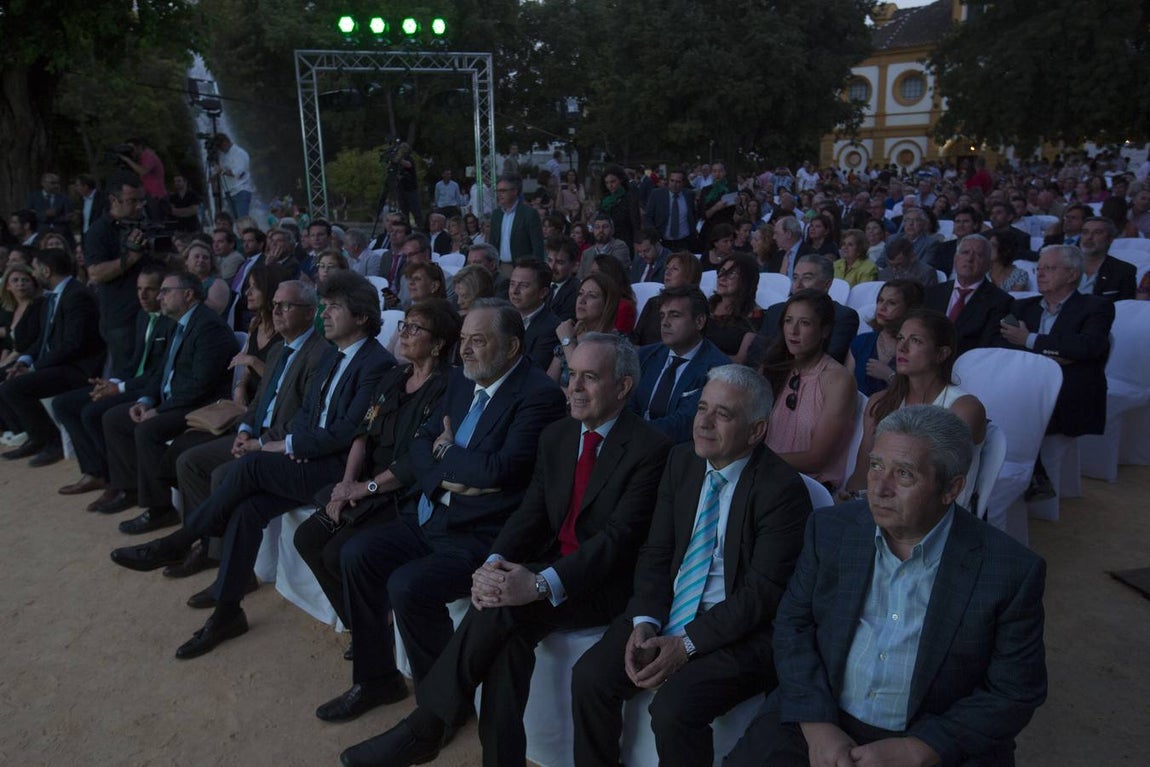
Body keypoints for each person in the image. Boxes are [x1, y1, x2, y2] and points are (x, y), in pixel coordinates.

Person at [340, 334, 671, 767]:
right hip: (550, 566)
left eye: (590, 378)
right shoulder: (558, 435)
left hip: (604, 584)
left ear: (623, 387)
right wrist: (492, 564)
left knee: (505, 610)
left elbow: (617, 541)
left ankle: (428, 725)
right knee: (506, 641)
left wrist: (536, 584)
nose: (573, 386)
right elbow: (529, 514)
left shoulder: (652, 448)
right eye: (572, 375)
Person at [724, 405, 1047, 767]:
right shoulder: (831, 530)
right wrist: (817, 725)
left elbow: (1015, 690)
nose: (879, 488)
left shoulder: (1009, 570)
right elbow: (793, 626)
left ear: (951, 488)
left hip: (934, 735)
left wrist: (920, 749)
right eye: (875, 465)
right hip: (820, 713)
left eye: (904, 474)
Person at [110, 271, 394, 658]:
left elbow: (349, 431)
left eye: (334, 308)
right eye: (323, 307)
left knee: (251, 467)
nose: (324, 315)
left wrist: (285, 445)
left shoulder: (376, 362)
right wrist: (290, 444)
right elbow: (310, 412)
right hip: (308, 458)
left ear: (361, 317)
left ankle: (177, 541)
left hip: (341, 471)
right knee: (247, 509)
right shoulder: (333, 354)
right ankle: (227, 612)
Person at [316, 299, 566, 716]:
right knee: (355, 554)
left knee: (408, 586)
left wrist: (446, 451)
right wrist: (450, 470)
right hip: (433, 513)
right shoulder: (461, 380)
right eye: (463, 340)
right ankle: (376, 680)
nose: (465, 350)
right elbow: (418, 448)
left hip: (480, 533)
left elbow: (498, 470)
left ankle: (441, 706)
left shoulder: (538, 394)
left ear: (510, 348)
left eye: (478, 341)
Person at [572, 365, 812, 767]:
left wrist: (686, 644)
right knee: (590, 677)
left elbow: (762, 595)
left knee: (673, 710)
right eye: (702, 407)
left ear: (755, 431)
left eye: (723, 414)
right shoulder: (682, 461)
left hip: (743, 633)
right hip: (670, 611)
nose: (703, 421)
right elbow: (656, 553)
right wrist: (644, 620)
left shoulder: (782, 490)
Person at [294, 299, 460, 632]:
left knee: (339, 553)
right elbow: (362, 435)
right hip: (364, 485)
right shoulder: (394, 376)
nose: (404, 334)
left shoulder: (449, 387)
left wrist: (365, 487)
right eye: (404, 326)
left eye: (415, 328)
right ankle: (362, 626)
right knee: (307, 537)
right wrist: (345, 486)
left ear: (439, 343)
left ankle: (374, 632)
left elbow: (418, 459)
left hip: (399, 494)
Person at [841, 309, 987, 510]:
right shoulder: (880, 402)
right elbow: (863, 472)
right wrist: (848, 501)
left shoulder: (963, 409)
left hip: (935, 515)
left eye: (916, 341)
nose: (902, 347)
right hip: (883, 507)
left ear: (941, 353)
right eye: (900, 338)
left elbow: (939, 485)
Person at [53, 265, 174, 497]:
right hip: (130, 382)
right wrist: (111, 382)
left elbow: (160, 373)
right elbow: (133, 362)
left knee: (93, 412)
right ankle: (97, 472)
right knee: (63, 404)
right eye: (139, 289)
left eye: (150, 289)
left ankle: (122, 482)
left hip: (150, 390)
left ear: (163, 292)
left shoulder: (171, 322)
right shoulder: (142, 316)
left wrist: (118, 388)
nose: (143, 295)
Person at [998, 244, 1114, 444]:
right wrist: (1055, 352)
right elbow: (1002, 345)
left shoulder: (1096, 307)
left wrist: (1029, 340)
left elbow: (1087, 347)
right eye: (1039, 269)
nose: (1040, 275)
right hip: (1023, 385)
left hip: (1066, 390)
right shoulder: (1022, 306)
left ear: (1072, 275)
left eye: (1049, 269)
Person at [0, 248, 105, 466]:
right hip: (61, 364)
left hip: (80, 368)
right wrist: (24, 361)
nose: (34, 273)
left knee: (14, 388)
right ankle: (38, 438)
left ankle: (51, 442)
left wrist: (36, 367)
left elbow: (74, 344)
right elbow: (43, 338)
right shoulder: (53, 296)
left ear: (46, 271)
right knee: (9, 380)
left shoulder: (77, 295)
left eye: (36, 269)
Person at [760, 290, 857, 492]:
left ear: (825, 330)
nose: (793, 331)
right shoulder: (773, 367)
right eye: (788, 321)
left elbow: (817, 459)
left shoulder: (838, 379)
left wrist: (754, 461)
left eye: (804, 323)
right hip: (765, 475)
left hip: (808, 485)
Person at [632, 286, 730, 443]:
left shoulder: (719, 368)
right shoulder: (644, 355)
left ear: (699, 321)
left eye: (674, 315)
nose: (665, 323)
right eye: (662, 315)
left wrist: (631, 432)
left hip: (677, 454)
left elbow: (686, 423)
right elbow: (626, 402)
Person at [83, 171, 152, 374]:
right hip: (122, 318)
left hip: (153, 313)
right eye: (132, 201)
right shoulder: (99, 232)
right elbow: (95, 273)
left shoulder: (146, 223)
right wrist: (131, 257)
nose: (139, 206)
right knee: (126, 374)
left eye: (142, 200)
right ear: (114, 200)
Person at [750, 255, 861, 366]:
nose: (798, 285)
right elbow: (755, 353)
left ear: (827, 284)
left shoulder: (843, 316)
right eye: (795, 278)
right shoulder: (775, 311)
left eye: (807, 278)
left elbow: (831, 358)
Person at [922, 234, 1013, 358]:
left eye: (978, 255)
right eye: (965, 252)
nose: (970, 258)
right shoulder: (932, 293)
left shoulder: (1000, 301)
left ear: (988, 265)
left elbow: (987, 348)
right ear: (955, 259)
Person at [846, 279, 925, 396]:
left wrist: (889, 376)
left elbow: (921, 396)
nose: (882, 307)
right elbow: (846, 387)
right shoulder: (861, 342)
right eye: (880, 300)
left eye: (892, 303)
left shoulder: (917, 348)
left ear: (909, 309)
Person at [549, 273, 621, 385]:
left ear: (607, 304)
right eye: (580, 294)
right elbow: (548, 384)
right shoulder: (572, 333)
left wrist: (567, 341)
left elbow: (584, 382)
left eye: (592, 296)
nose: (582, 300)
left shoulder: (614, 344)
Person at [706, 252, 761, 361]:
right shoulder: (707, 306)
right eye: (722, 271)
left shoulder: (753, 315)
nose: (722, 278)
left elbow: (740, 361)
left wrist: (703, 358)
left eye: (731, 274)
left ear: (746, 281)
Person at [508, 258, 560, 370]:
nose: (514, 291)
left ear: (543, 292)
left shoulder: (552, 328)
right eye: (512, 284)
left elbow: (533, 369)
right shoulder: (501, 316)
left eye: (523, 286)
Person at [489, 174, 545, 272]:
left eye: (503, 191)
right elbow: (492, 243)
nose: (499, 194)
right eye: (498, 191)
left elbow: (537, 246)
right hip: (500, 267)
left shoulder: (529, 214)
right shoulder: (496, 214)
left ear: (515, 191)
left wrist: (535, 270)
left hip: (523, 268)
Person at [1077, 216, 1137, 302]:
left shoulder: (1124, 271)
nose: (1089, 237)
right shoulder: (1064, 265)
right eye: (1085, 232)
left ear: (1110, 239)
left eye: (1097, 232)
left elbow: (1124, 308)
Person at [0, 262, 43, 375]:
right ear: (7, 286)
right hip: (11, 360)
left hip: (26, 362)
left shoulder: (38, 306)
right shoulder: (11, 309)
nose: (21, 284)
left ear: (34, 284)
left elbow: (25, 345)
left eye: (25, 280)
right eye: (15, 280)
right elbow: (8, 344)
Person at [644, 168, 696, 252]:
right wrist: (653, 235)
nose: (674, 184)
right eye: (672, 181)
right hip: (662, 241)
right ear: (668, 181)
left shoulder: (689, 195)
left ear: (683, 183)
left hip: (684, 241)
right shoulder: (657, 194)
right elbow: (648, 217)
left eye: (678, 182)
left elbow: (693, 215)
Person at [598, 165, 642, 254]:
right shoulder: (605, 200)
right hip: (607, 241)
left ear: (620, 180)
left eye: (613, 181)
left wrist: (636, 242)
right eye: (607, 183)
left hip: (625, 241)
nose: (610, 185)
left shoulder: (629, 198)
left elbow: (636, 223)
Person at [182, 237, 231, 315]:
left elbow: (213, 312)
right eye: (196, 256)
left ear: (211, 263)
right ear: (186, 261)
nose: (201, 260)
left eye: (205, 257)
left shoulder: (218, 283)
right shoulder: (180, 281)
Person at [590, 253, 637, 333]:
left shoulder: (624, 308)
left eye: (595, 274)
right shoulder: (592, 302)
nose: (590, 278)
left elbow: (615, 341)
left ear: (608, 276)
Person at [212, 133, 254, 218]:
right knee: (235, 222)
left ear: (226, 142)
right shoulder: (222, 155)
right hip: (229, 192)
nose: (220, 150)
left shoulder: (240, 153)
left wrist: (222, 171)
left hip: (241, 190)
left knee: (242, 219)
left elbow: (237, 173)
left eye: (220, 147)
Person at [580, 213, 632, 279]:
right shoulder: (586, 253)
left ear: (612, 230)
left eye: (605, 227)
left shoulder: (620, 246)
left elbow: (615, 272)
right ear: (593, 230)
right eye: (597, 227)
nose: (601, 230)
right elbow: (580, 278)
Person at [545, 235, 581, 322]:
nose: (552, 267)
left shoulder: (576, 291)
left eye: (559, 262)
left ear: (573, 266)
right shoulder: (541, 283)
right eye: (549, 260)